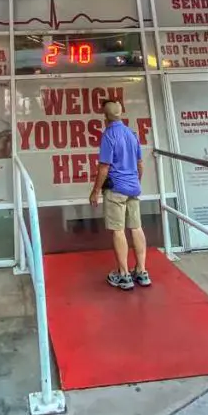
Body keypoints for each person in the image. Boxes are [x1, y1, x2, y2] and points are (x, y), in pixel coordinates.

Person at [89, 99, 151, 290]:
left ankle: (123, 275)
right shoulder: (131, 134)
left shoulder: (109, 135)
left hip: (116, 189)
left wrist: (95, 191)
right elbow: (140, 164)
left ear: (105, 117)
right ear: (121, 114)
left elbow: (104, 168)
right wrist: (136, 182)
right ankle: (141, 271)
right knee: (136, 227)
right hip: (133, 187)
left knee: (118, 230)